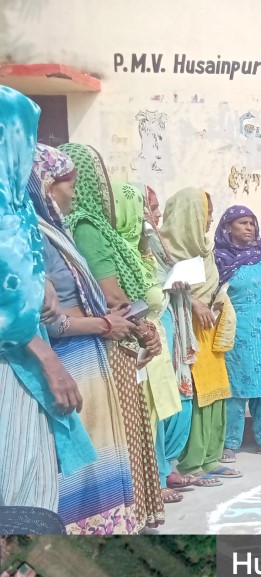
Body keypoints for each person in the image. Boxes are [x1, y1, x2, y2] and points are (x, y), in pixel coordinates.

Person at [31, 145, 143, 533]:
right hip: (68, 362)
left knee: (100, 464)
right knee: (80, 473)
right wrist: (104, 325)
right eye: (69, 184)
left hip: (86, 359)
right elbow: (48, 321)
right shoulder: (34, 237)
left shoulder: (52, 231)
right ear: (46, 184)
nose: (74, 194)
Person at [60, 142, 165, 528]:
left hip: (114, 337)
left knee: (126, 431)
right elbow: (113, 297)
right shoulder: (87, 226)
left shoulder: (78, 225)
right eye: (97, 177)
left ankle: (130, 516)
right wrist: (143, 328)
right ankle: (125, 518)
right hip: (111, 342)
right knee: (123, 433)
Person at [0, 87, 91, 515]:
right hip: (14, 366)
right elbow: (9, 306)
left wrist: (39, 280)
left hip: (22, 358)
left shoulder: (16, 211)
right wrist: (50, 363)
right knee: (20, 491)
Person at [113, 181, 187, 505]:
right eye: (148, 208)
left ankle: (155, 478)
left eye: (154, 209)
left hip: (155, 336)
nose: (153, 216)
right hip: (135, 340)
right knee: (142, 415)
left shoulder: (144, 250)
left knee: (156, 413)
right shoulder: (118, 252)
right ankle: (148, 484)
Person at [161, 187, 241, 484]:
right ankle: (191, 463)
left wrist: (216, 299)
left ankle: (210, 457)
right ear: (191, 214)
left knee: (216, 391)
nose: (209, 220)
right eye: (206, 213)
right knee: (195, 393)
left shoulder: (204, 249)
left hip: (208, 327)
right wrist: (193, 302)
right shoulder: (165, 248)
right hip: (185, 329)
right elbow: (160, 287)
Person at [142, 185, 198, 490]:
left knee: (177, 399)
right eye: (151, 207)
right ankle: (157, 473)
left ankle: (167, 465)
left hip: (174, 324)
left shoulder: (158, 244)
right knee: (157, 404)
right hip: (152, 329)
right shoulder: (134, 247)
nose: (157, 214)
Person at [214, 205, 261, 459]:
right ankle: (230, 442)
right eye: (243, 223)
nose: (249, 227)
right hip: (236, 330)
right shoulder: (218, 260)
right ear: (227, 227)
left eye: (252, 223)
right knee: (236, 386)